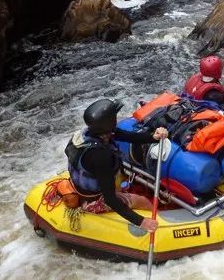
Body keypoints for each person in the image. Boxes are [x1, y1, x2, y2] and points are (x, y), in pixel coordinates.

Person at [65, 98, 168, 232]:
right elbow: (110, 199)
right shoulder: (101, 157)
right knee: (143, 201)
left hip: (82, 187)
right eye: (115, 116)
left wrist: (152, 137)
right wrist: (141, 221)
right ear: (109, 122)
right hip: (93, 199)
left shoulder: (90, 133)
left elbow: (128, 136)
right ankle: (163, 227)